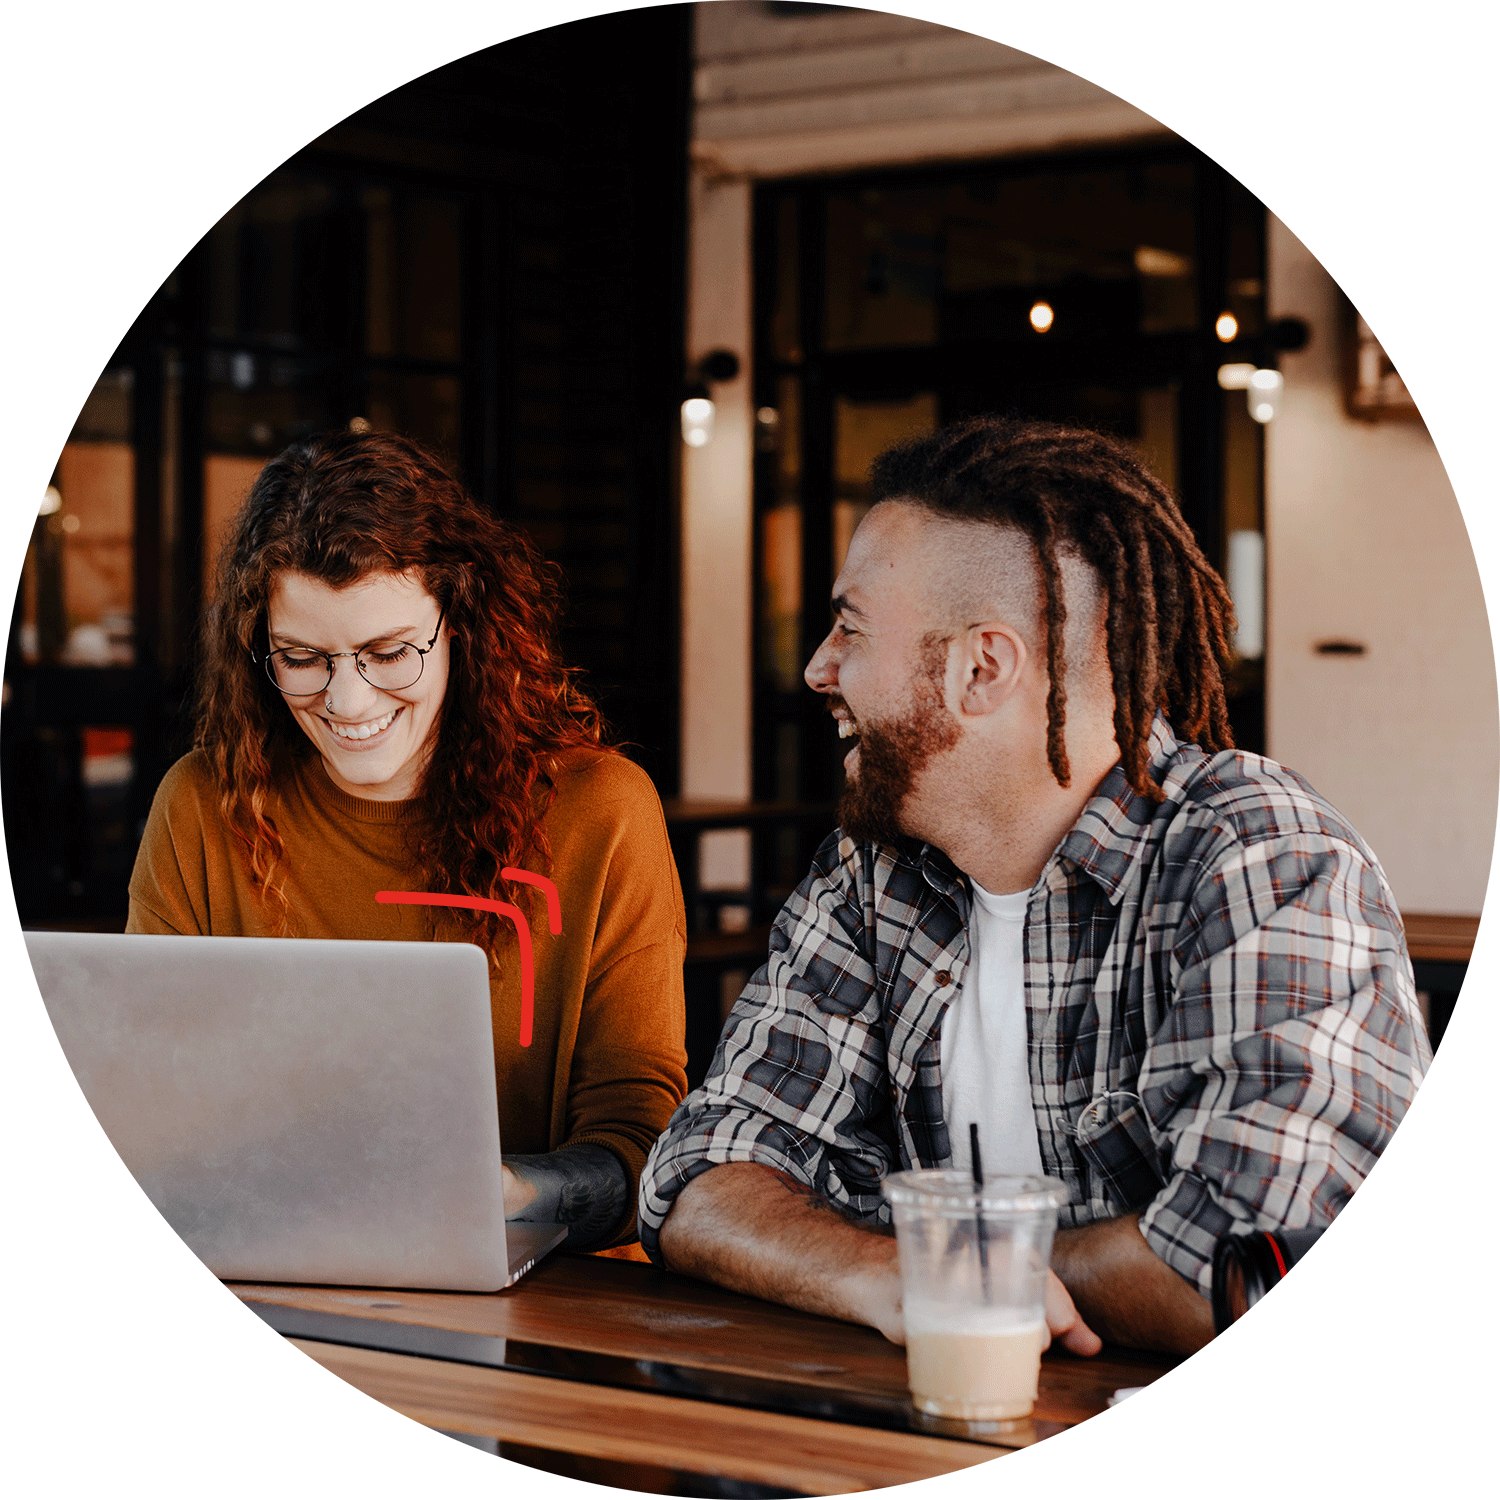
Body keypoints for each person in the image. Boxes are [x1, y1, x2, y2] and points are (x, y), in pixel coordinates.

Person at [639, 416, 1430, 1354]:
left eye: (848, 628)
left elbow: (1248, 1264)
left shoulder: (1263, 857)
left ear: (982, 668)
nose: (818, 667)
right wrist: (882, 1273)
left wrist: (942, 1272)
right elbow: (702, 1176)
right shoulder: (873, 871)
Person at [128, 428, 687, 1253]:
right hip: (264, 1264)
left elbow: (644, 1139)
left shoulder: (600, 813)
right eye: (303, 658)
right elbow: (148, 1100)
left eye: (388, 652)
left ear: (463, 626)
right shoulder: (203, 808)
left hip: (551, 1292)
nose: (348, 701)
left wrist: (501, 1193)